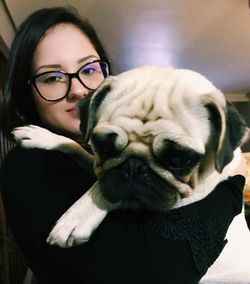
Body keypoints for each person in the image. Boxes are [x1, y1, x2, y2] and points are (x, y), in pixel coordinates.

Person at [0, 6, 247, 284]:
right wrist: (230, 191)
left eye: (89, 69)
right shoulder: (26, 167)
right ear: (27, 92)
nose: (79, 90)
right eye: (52, 77)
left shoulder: (208, 131)